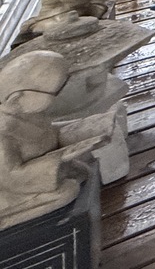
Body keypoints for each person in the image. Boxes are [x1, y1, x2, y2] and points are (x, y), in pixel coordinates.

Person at [0, 51, 102, 229]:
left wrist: (83, 128)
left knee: (83, 171)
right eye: (53, 93)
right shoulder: (4, 132)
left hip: (39, 168)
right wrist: (59, 159)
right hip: (11, 190)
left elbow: (44, 133)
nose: (57, 96)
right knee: (67, 191)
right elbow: (13, 179)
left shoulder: (28, 113)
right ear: (18, 97)